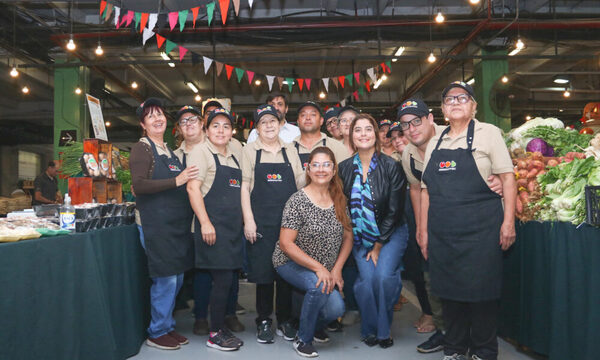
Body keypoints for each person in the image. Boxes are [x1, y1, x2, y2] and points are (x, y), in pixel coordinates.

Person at [419, 82, 516, 360]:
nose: (456, 102)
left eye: (463, 98)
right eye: (449, 99)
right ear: (443, 110)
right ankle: (455, 347)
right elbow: (426, 188)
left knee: (481, 293)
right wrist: (423, 231)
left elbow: (507, 178)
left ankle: (484, 351)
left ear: (474, 105)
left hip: (482, 229)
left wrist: (508, 222)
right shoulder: (436, 140)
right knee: (449, 294)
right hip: (443, 231)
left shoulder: (489, 134)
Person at [130, 98, 198, 350]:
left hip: (174, 225)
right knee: (165, 278)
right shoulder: (142, 148)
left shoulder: (169, 151)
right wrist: (177, 181)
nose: (157, 119)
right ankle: (156, 331)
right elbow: (138, 185)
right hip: (154, 223)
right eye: (151, 116)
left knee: (177, 278)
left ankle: (167, 326)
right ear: (143, 124)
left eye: (160, 114)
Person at [273, 147, 353, 358]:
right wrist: (319, 268)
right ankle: (303, 338)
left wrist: (336, 270)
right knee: (318, 286)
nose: (321, 169)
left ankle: (314, 325)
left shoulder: (339, 198)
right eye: (315, 165)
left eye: (326, 164)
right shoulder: (297, 201)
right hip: (290, 262)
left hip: (325, 268)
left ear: (334, 169)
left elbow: (348, 237)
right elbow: (285, 244)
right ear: (308, 169)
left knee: (336, 309)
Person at [338, 114, 408, 348]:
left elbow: (395, 211)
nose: (363, 134)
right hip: (359, 236)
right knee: (366, 282)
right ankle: (369, 328)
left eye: (369, 129)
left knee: (383, 278)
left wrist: (378, 245)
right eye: (358, 130)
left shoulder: (391, 166)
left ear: (376, 134)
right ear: (352, 136)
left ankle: (383, 329)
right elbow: (340, 207)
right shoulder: (344, 169)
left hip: (391, 233)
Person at [241, 104, 306, 344]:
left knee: (287, 274)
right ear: (257, 128)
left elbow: (300, 183)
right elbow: (244, 187)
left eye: (272, 121)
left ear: (280, 124)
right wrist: (248, 220)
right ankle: (264, 320)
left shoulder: (291, 150)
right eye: (263, 122)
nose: (269, 125)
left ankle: (285, 320)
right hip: (261, 222)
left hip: (289, 223)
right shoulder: (250, 151)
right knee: (264, 274)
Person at [186, 108, 245, 351]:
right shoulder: (201, 152)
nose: (221, 130)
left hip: (231, 229)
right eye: (215, 126)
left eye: (225, 126)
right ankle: (215, 333)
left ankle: (220, 326)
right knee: (221, 280)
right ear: (206, 130)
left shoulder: (234, 155)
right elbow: (192, 189)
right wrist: (205, 222)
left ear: (232, 131)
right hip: (212, 227)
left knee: (228, 280)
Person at [291, 101, 350, 169]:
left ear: (321, 121)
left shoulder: (337, 147)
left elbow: (345, 176)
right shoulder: (288, 149)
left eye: (313, 114)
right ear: (298, 121)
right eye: (303, 115)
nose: (308, 118)